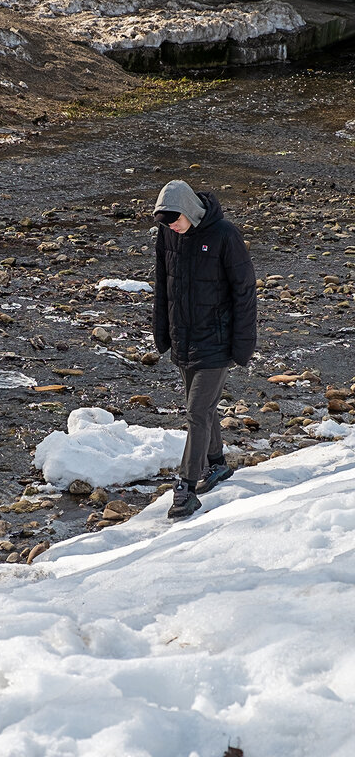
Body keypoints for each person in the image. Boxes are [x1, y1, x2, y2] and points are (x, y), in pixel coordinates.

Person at [152, 179, 257, 519]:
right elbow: (162, 286)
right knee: (202, 407)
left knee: (196, 412)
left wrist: (243, 344)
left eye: (175, 220)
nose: (171, 227)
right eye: (166, 222)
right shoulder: (168, 235)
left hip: (217, 341)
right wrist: (162, 333)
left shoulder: (225, 235)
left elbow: (244, 291)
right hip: (184, 338)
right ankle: (216, 464)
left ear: (189, 211)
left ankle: (186, 488)